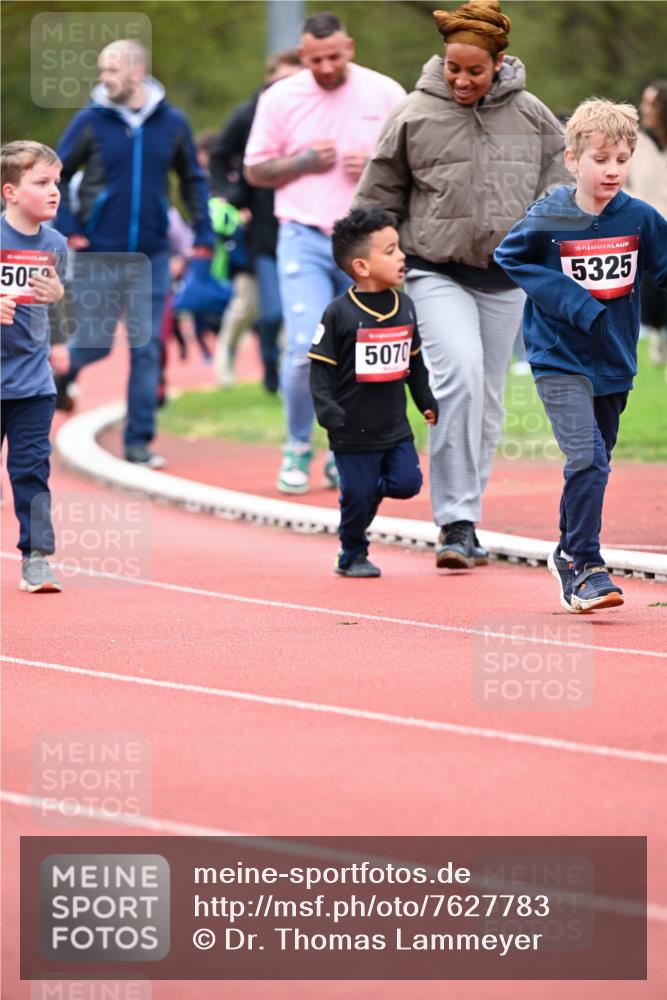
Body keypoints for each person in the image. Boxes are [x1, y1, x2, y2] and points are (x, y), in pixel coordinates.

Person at [354, 0, 569, 569]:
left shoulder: (531, 114)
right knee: (460, 381)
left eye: (475, 69)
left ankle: (468, 516)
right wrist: (376, 268)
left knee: (490, 401)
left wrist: (547, 232)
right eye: (454, 68)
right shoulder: (414, 113)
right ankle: (453, 522)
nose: (462, 79)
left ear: (499, 62)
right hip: (433, 269)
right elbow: (377, 196)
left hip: (505, 278)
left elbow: (562, 182)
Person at [494, 99, 667, 611]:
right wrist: (572, 301)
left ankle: (567, 553)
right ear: (573, 160)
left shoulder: (639, 218)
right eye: (600, 159)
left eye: (621, 158)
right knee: (587, 455)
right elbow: (510, 257)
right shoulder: (550, 216)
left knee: (596, 461)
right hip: (558, 358)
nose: (611, 169)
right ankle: (586, 564)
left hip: (616, 361)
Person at [244, 12, 405, 494]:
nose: (327, 67)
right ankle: (297, 444)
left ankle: (346, 447)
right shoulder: (280, 97)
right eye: (316, 60)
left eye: (335, 56)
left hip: (367, 239)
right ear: (303, 56)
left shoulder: (386, 93)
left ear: (350, 48)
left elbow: (411, 166)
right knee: (302, 350)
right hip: (304, 234)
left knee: (364, 351)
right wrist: (303, 162)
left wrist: (374, 166)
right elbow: (255, 170)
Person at [53, 39, 214, 468]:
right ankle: (59, 371)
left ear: (137, 72)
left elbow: (192, 179)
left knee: (147, 348)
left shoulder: (172, 122)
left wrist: (202, 229)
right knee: (96, 345)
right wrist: (68, 226)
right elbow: (57, 171)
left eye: (112, 70)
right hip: (97, 252)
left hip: (152, 255)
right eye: (102, 69)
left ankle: (138, 442)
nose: (104, 78)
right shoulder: (90, 120)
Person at [309, 207, 438, 577]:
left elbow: (415, 364)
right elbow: (320, 368)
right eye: (390, 251)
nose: (401, 257)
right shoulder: (339, 313)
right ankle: (351, 553)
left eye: (399, 248)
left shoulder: (405, 307)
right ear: (362, 267)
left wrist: (425, 400)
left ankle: (365, 492)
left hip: (394, 424)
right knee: (357, 497)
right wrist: (326, 409)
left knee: (407, 483)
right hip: (351, 429)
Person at [209, 50, 302, 393]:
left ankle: (282, 374)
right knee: (262, 310)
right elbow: (219, 155)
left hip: (303, 224)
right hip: (260, 231)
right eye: (281, 81)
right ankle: (251, 363)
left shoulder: (311, 112)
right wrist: (229, 197)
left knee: (292, 314)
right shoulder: (250, 114)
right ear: (268, 79)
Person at [1, 141, 68, 592]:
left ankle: (36, 558)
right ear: (10, 191)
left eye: (56, 183)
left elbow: (60, 305)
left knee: (32, 470)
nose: (54, 192)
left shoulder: (56, 244)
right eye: (41, 183)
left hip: (31, 384)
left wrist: (59, 302)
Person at [626, 80, 667, 367]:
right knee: (653, 305)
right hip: (648, 234)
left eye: (651, 104)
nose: (644, 110)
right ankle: (660, 335)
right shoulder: (636, 146)